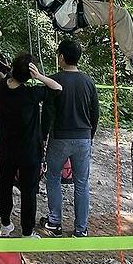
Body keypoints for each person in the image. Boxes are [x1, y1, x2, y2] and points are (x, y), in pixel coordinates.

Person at [0, 53, 62, 238]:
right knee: (28, 191)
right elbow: (57, 88)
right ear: (30, 74)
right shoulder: (31, 94)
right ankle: (27, 231)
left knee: (4, 184)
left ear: (13, 67)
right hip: (29, 151)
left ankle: (5, 223)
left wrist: (8, 74)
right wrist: (39, 76)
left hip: (6, 147)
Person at [41, 38, 99, 237]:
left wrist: (42, 136)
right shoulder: (88, 82)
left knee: (53, 178)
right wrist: (89, 135)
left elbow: (47, 112)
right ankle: (81, 229)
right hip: (83, 138)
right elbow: (95, 113)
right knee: (82, 183)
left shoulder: (54, 80)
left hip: (59, 137)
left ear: (62, 57)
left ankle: (54, 222)